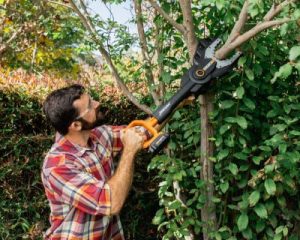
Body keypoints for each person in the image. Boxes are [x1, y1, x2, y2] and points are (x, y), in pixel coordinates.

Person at [41, 84, 147, 240]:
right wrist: (130, 151)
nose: (97, 104)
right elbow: (111, 202)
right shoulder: (58, 166)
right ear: (76, 125)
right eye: (90, 105)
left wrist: (178, 101)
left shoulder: (99, 135)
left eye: (91, 100)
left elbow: (143, 131)